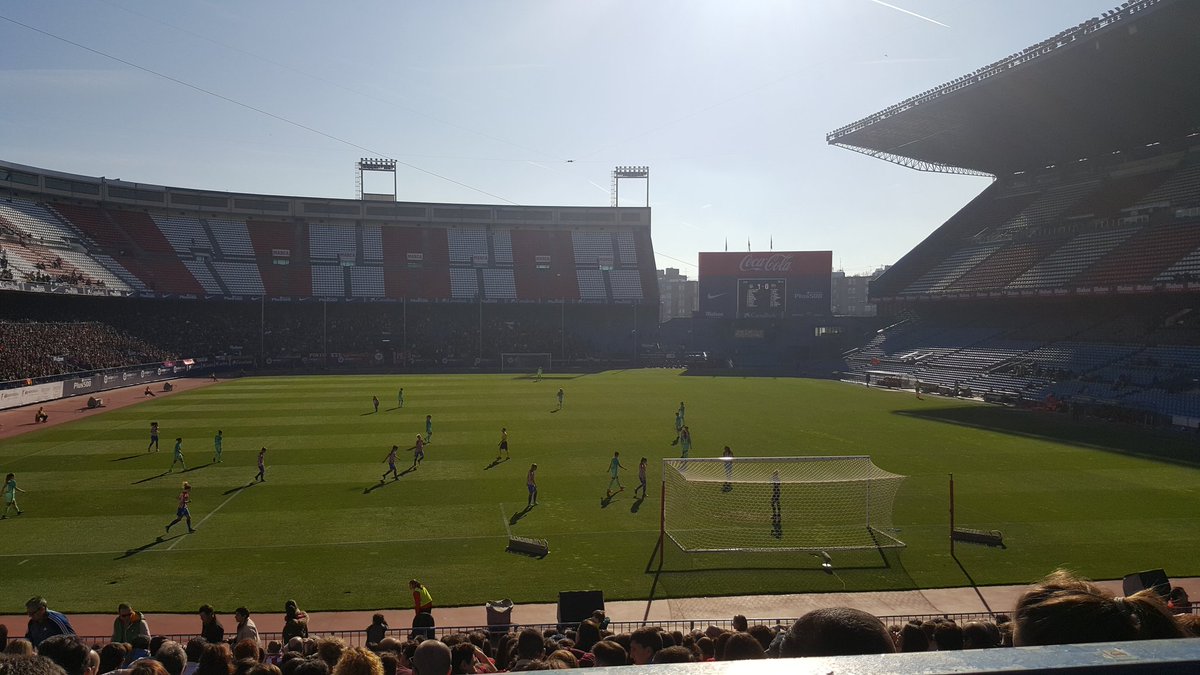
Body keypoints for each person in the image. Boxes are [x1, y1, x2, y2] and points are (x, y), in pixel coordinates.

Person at [770, 470, 782, 539]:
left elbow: (776, 485)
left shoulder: (777, 479)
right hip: (776, 492)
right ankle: (777, 515)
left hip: (776, 492)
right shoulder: (776, 478)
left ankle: (776, 515)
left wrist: (773, 481)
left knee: (774, 503)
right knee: (776, 503)